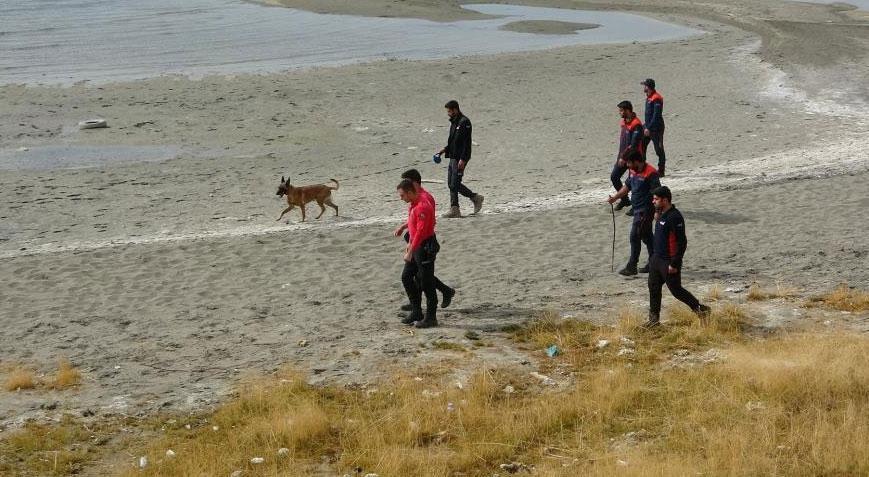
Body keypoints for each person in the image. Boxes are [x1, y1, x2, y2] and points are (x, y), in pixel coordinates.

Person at [645, 186, 711, 327]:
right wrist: (657, 211)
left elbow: (682, 242)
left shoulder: (675, 217)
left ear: (665, 200)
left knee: (676, 291)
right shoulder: (661, 213)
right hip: (656, 259)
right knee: (653, 287)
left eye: (656, 199)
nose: (653, 201)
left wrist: (674, 263)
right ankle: (653, 321)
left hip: (669, 261)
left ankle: (701, 309)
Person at [393, 169, 456, 311]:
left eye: (407, 183)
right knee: (416, 274)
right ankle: (416, 303)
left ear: (414, 183)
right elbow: (413, 219)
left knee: (422, 275)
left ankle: (442, 293)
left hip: (424, 240)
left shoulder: (425, 198)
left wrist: (411, 247)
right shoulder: (414, 198)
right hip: (415, 237)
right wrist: (404, 226)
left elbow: (425, 224)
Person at [607, 149, 660, 276]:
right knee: (646, 236)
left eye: (629, 163)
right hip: (637, 209)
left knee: (635, 236)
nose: (628, 166)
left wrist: (657, 211)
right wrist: (615, 197)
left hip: (646, 211)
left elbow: (657, 194)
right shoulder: (633, 170)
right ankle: (654, 262)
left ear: (637, 161)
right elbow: (627, 186)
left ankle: (632, 266)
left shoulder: (651, 173)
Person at [396, 178, 440, 328]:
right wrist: (405, 233)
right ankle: (416, 311)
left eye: (402, 195)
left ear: (409, 192)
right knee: (407, 277)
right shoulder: (414, 203)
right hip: (416, 245)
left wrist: (410, 251)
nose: (401, 198)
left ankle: (431, 318)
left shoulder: (422, 205)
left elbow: (421, 232)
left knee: (427, 283)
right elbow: (413, 225)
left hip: (425, 246)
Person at [435, 100, 483, 218]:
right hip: (452, 157)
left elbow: (466, 143)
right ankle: (455, 209)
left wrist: (463, 159)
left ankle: (475, 198)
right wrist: (443, 150)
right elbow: (453, 142)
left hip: (460, 158)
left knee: (455, 184)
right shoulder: (454, 122)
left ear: (455, 109)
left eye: (449, 111)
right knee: (451, 184)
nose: (448, 113)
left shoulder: (464, 122)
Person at [611, 100, 645, 213]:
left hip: (634, 158)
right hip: (622, 157)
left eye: (621, 111)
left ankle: (635, 206)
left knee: (634, 181)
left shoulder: (637, 125)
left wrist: (624, 158)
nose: (619, 113)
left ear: (628, 110)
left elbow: (634, 145)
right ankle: (625, 200)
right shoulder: (623, 122)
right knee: (614, 177)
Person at [641, 78, 666, 177]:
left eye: (645, 86)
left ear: (648, 87)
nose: (643, 87)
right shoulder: (649, 97)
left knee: (658, 149)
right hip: (648, 126)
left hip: (656, 128)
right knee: (641, 145)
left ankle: (661, 170)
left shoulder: (656, 98)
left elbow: (656, 115)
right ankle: (642, 167)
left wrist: (649, 128)